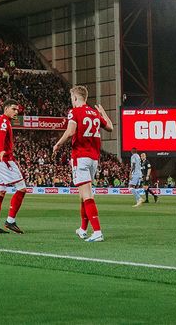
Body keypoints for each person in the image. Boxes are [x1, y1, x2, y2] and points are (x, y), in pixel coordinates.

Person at [52, 85, 113, 242]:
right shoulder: (94, 113)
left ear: (75, 98)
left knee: (87, 195)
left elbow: (71, 131)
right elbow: (110, 127)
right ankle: (83, 229)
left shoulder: (74, 112)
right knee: (82, 195)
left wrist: (58, 144)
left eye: (71, 99)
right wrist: (102, 112)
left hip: (80, 157)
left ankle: (98, 231)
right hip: (93, 159)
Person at [0, 99, 26, 234]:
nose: (16, 112)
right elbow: (0, 136)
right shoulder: (4, 121)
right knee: (22, 189)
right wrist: (1, 151)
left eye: (17, 110)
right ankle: (10, 221)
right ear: (6, 109)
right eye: (14, 109)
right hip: (4, 160)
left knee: (0, 192)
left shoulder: (1, 121)